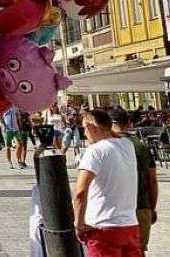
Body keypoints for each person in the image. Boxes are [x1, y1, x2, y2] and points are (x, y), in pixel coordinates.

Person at [73, 108, 140, 256]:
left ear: (91, 128)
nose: (84, 133)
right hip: (129, 225)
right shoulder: (127, 146)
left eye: (84, 128)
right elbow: (115, 136)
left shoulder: (94, 151)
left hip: (102, 226)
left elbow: (80, 192)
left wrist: (78, 224)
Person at [110, 108, 158, 252]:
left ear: (111, 123)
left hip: (115, 209)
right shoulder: (141, 146)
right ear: (129, 123)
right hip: (142, 205)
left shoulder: (107, 145)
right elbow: (153, 181)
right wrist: (152, 208)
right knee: (138, 250)